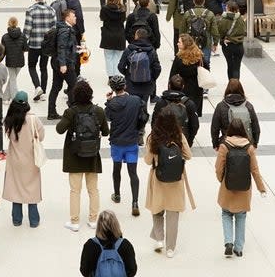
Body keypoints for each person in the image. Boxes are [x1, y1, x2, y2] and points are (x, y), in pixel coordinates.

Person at [58, 79, 109, 232]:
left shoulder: (71, 112)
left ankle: (74, 222)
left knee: (75, 190)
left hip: (74, 155)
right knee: (93, 189)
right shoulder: (98, 111)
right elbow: (106, 132)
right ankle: (93, 220)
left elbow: (59, 129)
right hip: (92, 155)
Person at [143, 109, 194, 258]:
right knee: (173, 215)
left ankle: (159, 238)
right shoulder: (179, 136)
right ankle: (170, 248)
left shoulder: (153, 137)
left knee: (157, 210)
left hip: (158, 179)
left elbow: (147, 161)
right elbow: (188, 155)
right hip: (176, 181)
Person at [215, 116, 266, 258]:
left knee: (226, 214)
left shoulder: (224, 146)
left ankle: (228, 242)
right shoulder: (249, 147)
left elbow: (219, 168)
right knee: (241, 216)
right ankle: (238, 247)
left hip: (228, 187)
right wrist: (261, 188)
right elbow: (255, 170)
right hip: (244, 188)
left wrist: (222, 180)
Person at [106, 74, 146, 215]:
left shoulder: (112, 104)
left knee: (116, 169)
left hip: (117, 142)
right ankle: (135, 202)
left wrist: (108, 101)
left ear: (113, 89)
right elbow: (143, 116)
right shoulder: (135, 100)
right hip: (131, 142)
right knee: (133, 173)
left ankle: (117, 194)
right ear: (125, 86)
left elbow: (107, 117)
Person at [2, 91, 44, 227]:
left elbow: (9, 136)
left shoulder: (10, 119)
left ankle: (17, 219)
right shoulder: (33, 119)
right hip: (31, 159)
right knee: (32, 188)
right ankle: (33, 220)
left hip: (15, 159)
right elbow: (41, 136)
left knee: (16, 188)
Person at [79, 210, 138, 277]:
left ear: (99, 225)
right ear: (116, 224)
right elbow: (132, 270)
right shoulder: (125, 244)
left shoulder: (90, 244)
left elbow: (84, 270)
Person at [47, 9, 80, 120]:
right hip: (64, 62)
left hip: (56, 61)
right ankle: (73, 109)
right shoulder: (65, 31)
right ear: (67, 18)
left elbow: (66, 46)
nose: (75, 17)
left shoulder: (62, 28)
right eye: (73, 16)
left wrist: (76, 48)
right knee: (74, 85)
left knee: (56, 87)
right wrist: (63, 64)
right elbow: (61, 47)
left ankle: (51, 112)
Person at [210, 78, 260, 149]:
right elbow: (256, 127)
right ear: (241, 90)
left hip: (227, 144)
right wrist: (255, 143)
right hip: (247, 143)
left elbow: (215, 128)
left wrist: (215, 144)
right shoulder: (248, 106)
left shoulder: (221, 106)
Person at [169, 34, 205, 119]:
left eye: (179, 42)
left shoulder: (179, 58)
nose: (177, 44)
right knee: (193, 116)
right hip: (197, 90)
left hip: (183, 91)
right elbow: (206, 69)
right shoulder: (199, 56)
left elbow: (172, 75)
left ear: (185, 44)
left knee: (182, 116)